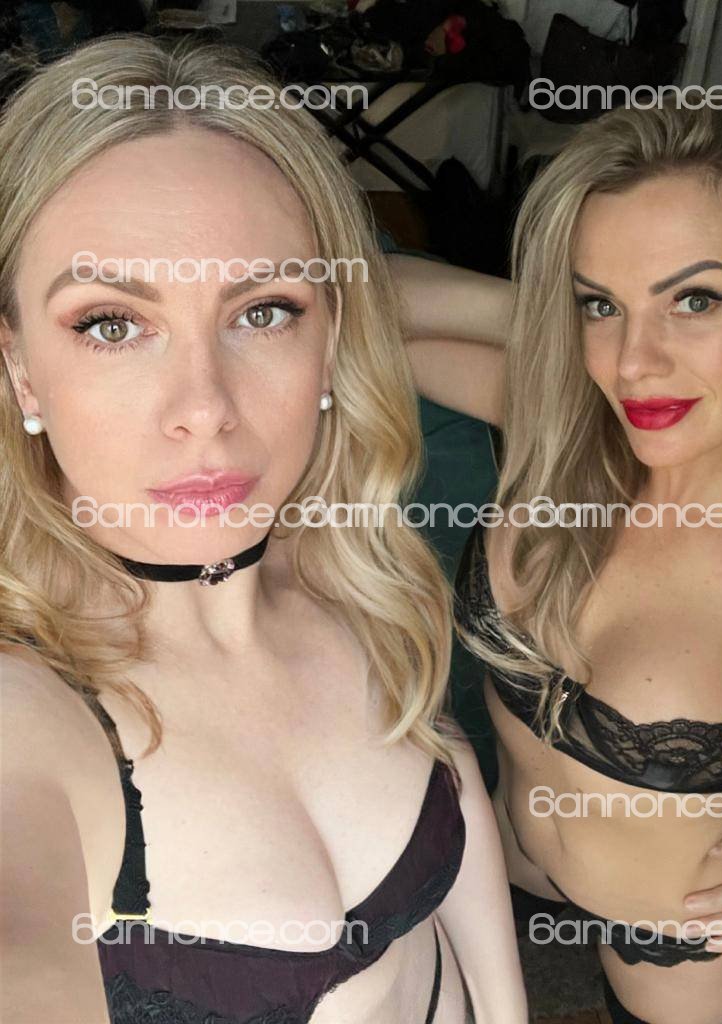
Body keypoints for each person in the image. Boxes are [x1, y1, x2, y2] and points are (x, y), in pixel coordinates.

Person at [0, 34, 528, 1024]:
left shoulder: (347, 569)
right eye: (111, 324)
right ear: (20, 367)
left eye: (264, 312)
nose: (205, 407)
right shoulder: (27, 724)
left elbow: (444, 774)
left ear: (330, 338)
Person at [393, 103, 722, 1023]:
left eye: (693, 299)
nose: (633, 364)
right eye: (602, 303)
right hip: (499, 872)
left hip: (681, 949)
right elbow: (363, 302)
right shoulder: (569, 434)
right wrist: (553, 324)